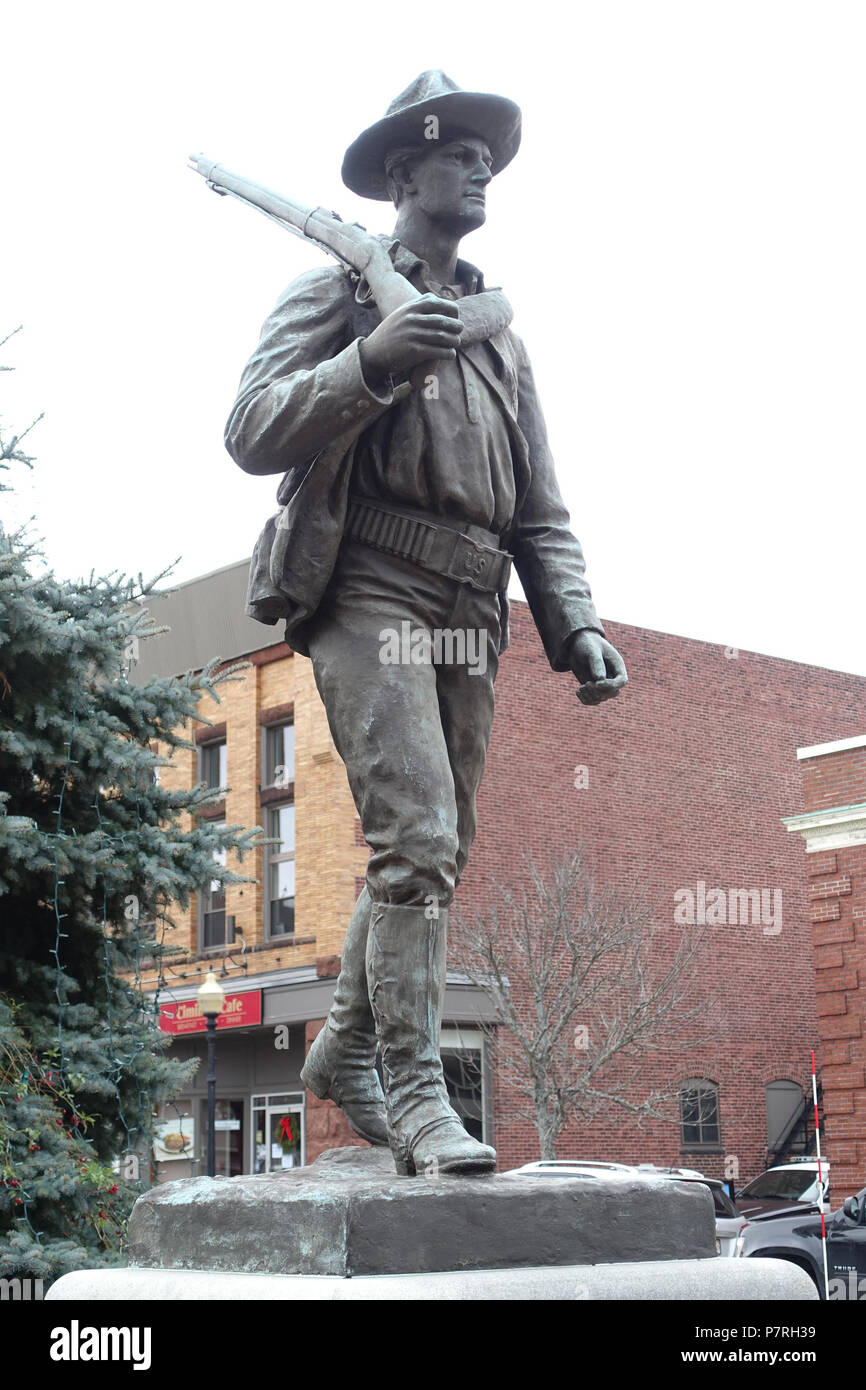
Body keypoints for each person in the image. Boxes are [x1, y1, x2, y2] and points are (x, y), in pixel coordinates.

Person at [225, 71, 628, 1176]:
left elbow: (540, 506)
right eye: (458, 154)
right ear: (404, 175)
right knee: (417, 838)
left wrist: (574, 621)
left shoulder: (500, 340)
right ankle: (412, 1090)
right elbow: (251, 426)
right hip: (369, 588)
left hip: (469, 603)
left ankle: (345, 1052)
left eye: (487, 157)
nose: (480, 167)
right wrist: (368, 365)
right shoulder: (340, 297)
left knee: (430, 857)